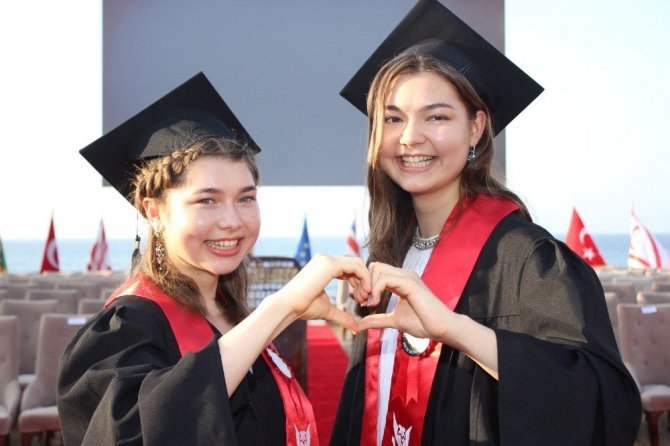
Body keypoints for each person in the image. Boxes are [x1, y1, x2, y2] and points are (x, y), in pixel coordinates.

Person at [331, 1, 642, 445]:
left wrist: (456, 329)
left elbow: (600, 402)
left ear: (476, 127)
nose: (410, 137)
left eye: (437, 117)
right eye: (393, 118)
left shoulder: (528, 260)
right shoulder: (389, 256)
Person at [56, 72, 370, 445]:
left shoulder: (228, 310)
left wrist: (285, 314)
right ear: (154, 212)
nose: (232, 221)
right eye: (207, 200)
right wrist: (281, 306)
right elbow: (136, 434)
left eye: (245, 198)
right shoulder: (129, 328)